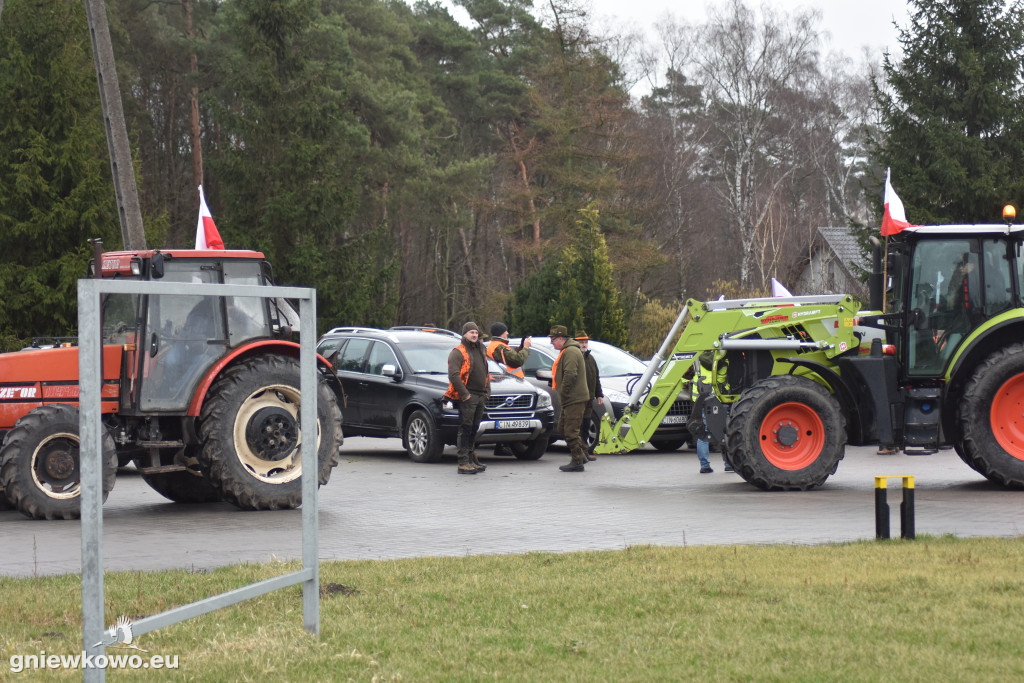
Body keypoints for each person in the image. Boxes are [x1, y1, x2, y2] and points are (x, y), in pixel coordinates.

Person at [445, 322, 490, 474]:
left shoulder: (481, 349)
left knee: (474, 428)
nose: (474, 335)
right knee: (466, 428)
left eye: (476, 332)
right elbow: (454, 375)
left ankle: (471, 460)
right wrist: (465, 394)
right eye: (471, 332)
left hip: (480, 395)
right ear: (464, 334)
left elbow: (485, 371)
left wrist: (487, 391)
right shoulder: (458, 352)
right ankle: (463, 462)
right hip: (468, 396)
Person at [486, 322, 532, 455]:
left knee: (505, 416)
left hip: (506, 382)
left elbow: (509, 359)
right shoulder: (499, 346)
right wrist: (526, 348)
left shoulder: (496, 346)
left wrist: (520, 348)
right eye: (506, 331)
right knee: (508, 415)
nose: (507, 333)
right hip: (511, 383)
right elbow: (516, 361)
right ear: (501, 332)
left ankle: (503, 445)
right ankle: (502, 445)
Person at [550, 325, 590, 472]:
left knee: (570, 431)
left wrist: (563, 393)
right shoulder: (567, 351)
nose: (551, 342)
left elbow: (570, 374)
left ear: (561, 338)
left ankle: (577, 461)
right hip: (571, 398)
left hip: (574, 398)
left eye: (553, 339)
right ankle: (581, 455)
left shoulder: (571, 351)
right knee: (562, 428)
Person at [690, 351, 733, 474]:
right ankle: (728, 464)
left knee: (703, 433)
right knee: (723, 430)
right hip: (718, 399)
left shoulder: (696, 358)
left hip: (700, 399)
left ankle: (704, 466)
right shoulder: (722, 358)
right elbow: (721, 378)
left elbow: (685, 376)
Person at [575, 330, 603, 461]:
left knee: (586, 425)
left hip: (589, 398)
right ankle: (578, 453)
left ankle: (584, 452)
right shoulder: (574, 357)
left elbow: (595, 378)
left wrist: (599, 394)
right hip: (578, 398)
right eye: (581, 342)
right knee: (577, 426)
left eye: (585, 341)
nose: (584, 344)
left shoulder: (590, 358)